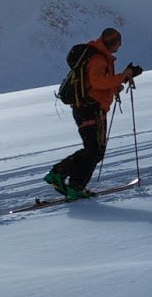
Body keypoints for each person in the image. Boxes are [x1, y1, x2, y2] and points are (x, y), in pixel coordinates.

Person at [44, 27, 142, 198]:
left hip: (87, 108)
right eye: (118, 43)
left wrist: (121, 79)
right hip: (90, 109)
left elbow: (96, 85)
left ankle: (66, 179)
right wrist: (123, 76)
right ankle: (68, 181)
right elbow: (97, 83)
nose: (119, 46)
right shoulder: (98, 59)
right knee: (94, 150)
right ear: (112, 43)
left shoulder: (99, 56)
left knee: (93, 150)